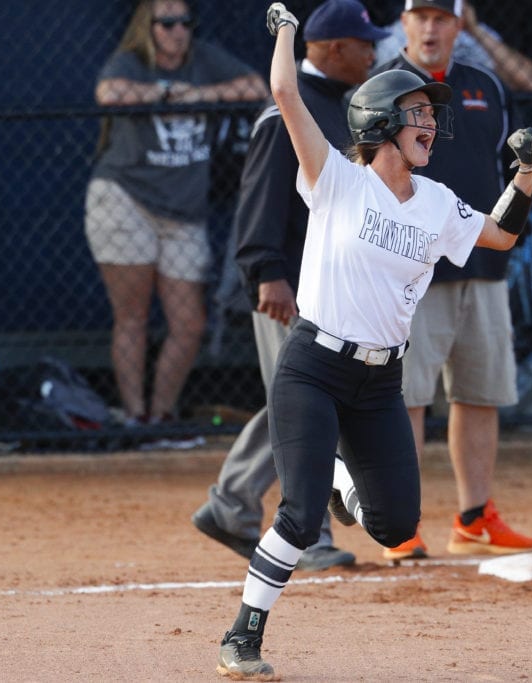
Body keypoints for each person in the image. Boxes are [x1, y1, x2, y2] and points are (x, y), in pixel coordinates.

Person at [215, 4, 532, 679]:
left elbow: (501, 234)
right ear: (382, 125)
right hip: (314, 367)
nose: (430, 124)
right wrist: (284, 30)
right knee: (301, 518)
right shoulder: (336, 179)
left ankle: (339, 478)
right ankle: (244, 632)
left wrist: (526, 175)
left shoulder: (433, 200)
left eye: (430, 114)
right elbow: (283, 91)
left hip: (379, 383)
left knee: (395, 525)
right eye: (418, 114)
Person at [190, 0, 391, 573]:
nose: (374, 53)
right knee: (310, 405)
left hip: (328, 287)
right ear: (330, 49)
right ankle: (310, 535)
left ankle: (231, 504)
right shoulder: (288, 110)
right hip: (291, 286)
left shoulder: (336, 105)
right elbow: (260, 201)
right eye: (364, 43)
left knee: (298, 401)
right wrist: (265, 272)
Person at [372, 0, 532, 560]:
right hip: (414, 269)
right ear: (403, 24)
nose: (430, 27)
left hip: (484, 264)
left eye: (442, 17)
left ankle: (474, 517)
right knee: (408, 398)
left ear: (459, 26)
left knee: (480, 392)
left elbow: (499, 167)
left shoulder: (484, 84)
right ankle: (400, 524)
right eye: (419, 16)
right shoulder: (384, 87)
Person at [84, 0, 267, 427]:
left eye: (185, 22)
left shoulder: (203, 58)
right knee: (132, 316)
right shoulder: (130, 61)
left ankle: (161, 415)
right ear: (147, 27)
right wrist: (166, 92)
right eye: (166, 23)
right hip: (126, 198)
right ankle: (134, 417)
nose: (177, 31)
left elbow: (256, 87)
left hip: (184, 212)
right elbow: (109, 93)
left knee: (189, 324)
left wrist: (198, 94)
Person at [374, 0, 532, 93]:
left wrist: (474, 29)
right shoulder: (392, 39)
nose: (430, 29)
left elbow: (528, 81)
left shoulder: (471, 34)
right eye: (422, 18)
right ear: (406, 20)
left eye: (440, 19)